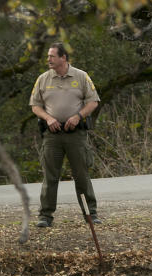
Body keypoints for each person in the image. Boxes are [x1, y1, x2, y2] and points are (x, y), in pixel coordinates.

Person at [29, 43, 101, 229]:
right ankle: (45, 216)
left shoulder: (81, 76)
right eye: (48, 56)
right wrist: (48, 118)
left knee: (81, 175)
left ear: (63, 58)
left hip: (75, 135)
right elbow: (35, 106)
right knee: (50, 176)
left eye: (52, 56)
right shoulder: (43, 79)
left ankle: (90, 214)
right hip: (52, 136)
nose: (49, 59)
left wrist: (78, 116)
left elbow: (93, 102)